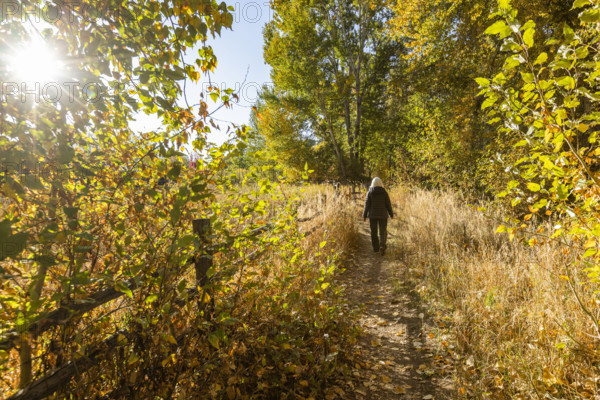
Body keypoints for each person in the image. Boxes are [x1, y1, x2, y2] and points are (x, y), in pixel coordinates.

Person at [362, 177, 394, 255]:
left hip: (373, 215)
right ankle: (382, 245)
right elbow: (388, 204)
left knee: (374, 232)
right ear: (380, 183)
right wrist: (391, 214)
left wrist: (364, 215)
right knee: (383, 232)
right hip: (383, 215)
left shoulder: (370, 192)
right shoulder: (384, 192)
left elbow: (367, 204)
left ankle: (376, 248)